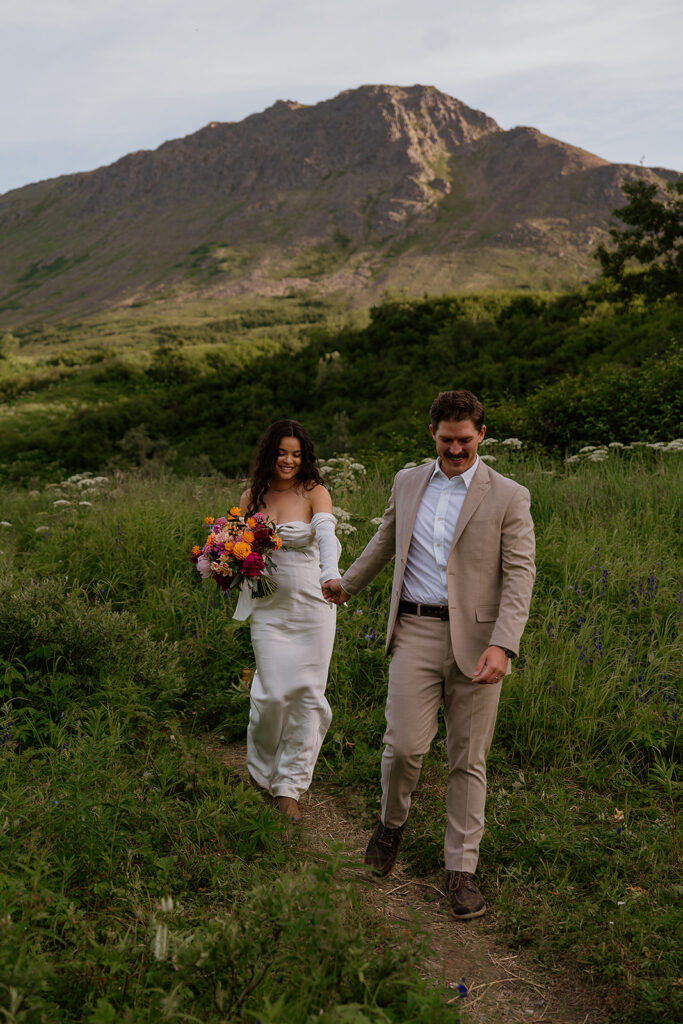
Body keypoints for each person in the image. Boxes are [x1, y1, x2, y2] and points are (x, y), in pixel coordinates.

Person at [323, 390, 535, 918]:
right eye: (446, 440)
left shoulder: (509, 495)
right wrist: (347, 584)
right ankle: (390, 826)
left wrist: (504, 644)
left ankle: (461, 870)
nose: (456, 450)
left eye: (465, 440)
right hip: (415, 629)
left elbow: (520, 576)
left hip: (480, 642)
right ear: (433, 435)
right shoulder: (408, 481)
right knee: (402, 747)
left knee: (468, 758)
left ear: (481, 434)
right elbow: (385, 540)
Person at [234, 419, 341, 823]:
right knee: (271, 694)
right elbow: (238, 545)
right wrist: (226, 562)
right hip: (269, 608)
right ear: (270, 454)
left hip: (313, 604)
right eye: (282, 453)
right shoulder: (252, 496)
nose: (289, 461)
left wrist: (332, 574)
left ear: (304, 457)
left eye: (296, 454)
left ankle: (289, 787)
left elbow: (326, 536)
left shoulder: (314, 491)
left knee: (308, 695)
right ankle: (261, 772)